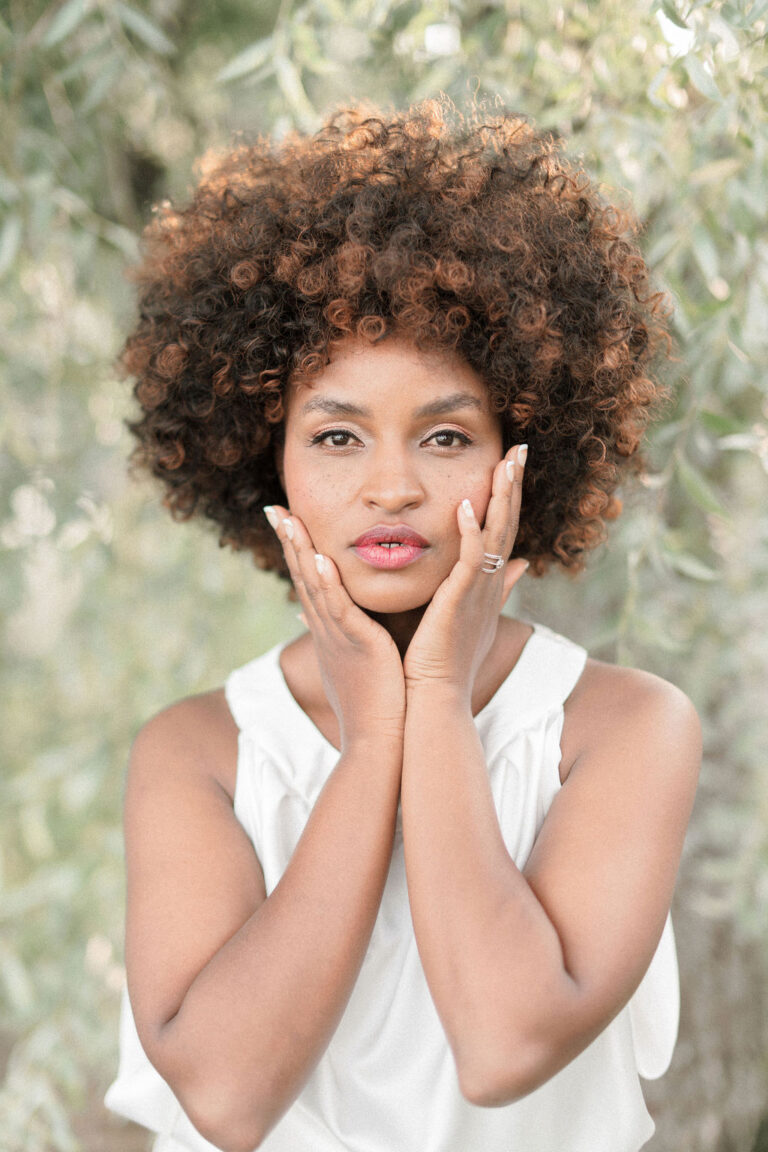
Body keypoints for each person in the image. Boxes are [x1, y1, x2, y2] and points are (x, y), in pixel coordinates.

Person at [104, 97, 701, 1152]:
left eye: (443, 435)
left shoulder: (624, 730)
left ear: (525, 453)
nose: (391, 487)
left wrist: (429, 704)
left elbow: (504, 1044)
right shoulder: (196, 752)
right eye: (336, 436)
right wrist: (373, 736)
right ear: (264, 457)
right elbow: (229, 1102)